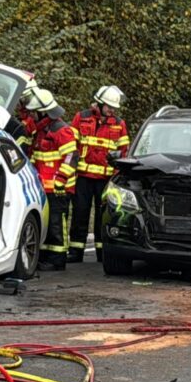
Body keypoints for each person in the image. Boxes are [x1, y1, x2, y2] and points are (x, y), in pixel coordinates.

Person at [69, 85, 130, 263]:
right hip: (82, 177)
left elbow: (123, 152)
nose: (111, 111)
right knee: (80, 213)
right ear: (100, 103)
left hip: (105, 179)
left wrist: (117, 177)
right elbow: (71, 146)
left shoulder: (119, 125)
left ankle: (102, 253)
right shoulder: (81, 118)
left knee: (103, 217)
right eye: (109, 107)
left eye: (114, 108)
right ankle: (75, 251)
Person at [27, 89, 79, 271]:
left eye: (35, 112)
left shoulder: (61, 130)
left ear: (44, 111)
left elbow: (72, 157)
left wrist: (61, 179)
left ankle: (58, 259)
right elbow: (38, 157)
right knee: (47, 223)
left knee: (57, 223)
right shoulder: (42, 131)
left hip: (58, 188)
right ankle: (46, 257)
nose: (33, 115)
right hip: (43, 187)